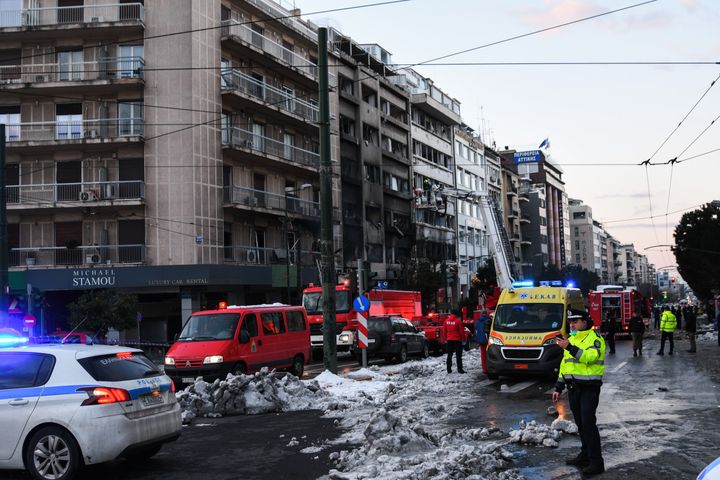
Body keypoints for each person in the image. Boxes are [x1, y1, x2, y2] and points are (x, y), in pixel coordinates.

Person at [552, 310, 606, 476]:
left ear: (584, 322)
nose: (572, 325)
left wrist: (569, 346)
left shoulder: (594, 338)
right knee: (581, 425)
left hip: (589, 388)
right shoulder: (572, 339)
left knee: (589, 424)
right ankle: (585, 454)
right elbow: (566, 365)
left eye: (575, 321)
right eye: (570, 322)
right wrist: (558, 387)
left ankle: (597, 462)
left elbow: (590, 357)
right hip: (574, 389)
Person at [443, 308, 466, 374]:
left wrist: (445, 339)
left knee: (449, 355)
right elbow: (461, 331)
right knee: (458, 355)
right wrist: (463, 339)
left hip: (449, 340)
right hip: (457, 340)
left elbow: (444, 331)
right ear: (456, 314)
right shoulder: (458, 321)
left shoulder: (446, 321)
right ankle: (460, 369)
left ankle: (449, 369)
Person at [475, 309, 490, 374]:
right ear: (486, 314)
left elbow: (476, 331)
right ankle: (489, 368)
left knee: (483, 355)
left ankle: (484, 369)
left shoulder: (477, 321)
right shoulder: (489, 320)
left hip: (481, 340)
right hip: (488, 340)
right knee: (489, 355)